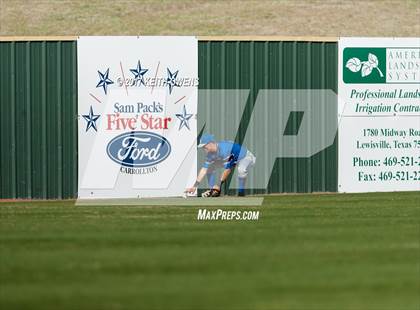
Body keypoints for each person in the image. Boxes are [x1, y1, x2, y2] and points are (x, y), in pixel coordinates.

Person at [186, 134, 256, 197]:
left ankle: (241, 192)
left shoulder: (226, 148)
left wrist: (218, 184)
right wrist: (195, 186)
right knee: (210, 167)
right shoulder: (210, 154)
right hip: (229, 159)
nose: (204, 149)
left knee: (241, 169)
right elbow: (204, 169)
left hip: (245, 157)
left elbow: (228, 169)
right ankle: (213, 190)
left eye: (204, 146)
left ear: (210, 143)